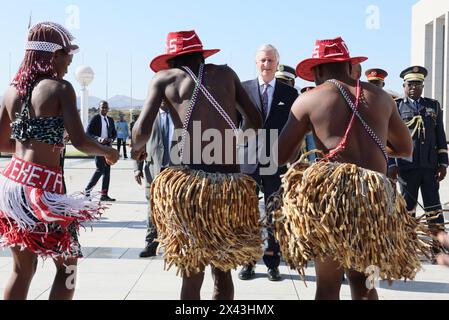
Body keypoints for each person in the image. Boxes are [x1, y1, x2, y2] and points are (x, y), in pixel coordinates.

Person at [275, 36, 431, 300]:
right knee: (365, 283)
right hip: (374, 198)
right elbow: (406, 149)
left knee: (327, 286)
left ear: (318, 70)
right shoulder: (382, 98)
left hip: (332, 202)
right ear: (349, 66)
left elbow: (280, 157)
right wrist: (377, 147)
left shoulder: (307, 101)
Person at [131, 30, 263, 300]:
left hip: (192, 188)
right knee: (223, 269)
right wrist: (237, 141)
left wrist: (137, 151)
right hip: (230, 185)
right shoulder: (226, 74)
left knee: (192, 272)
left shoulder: (164, 79)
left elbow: (141, 131)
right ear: (202, 56)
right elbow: (256, 119)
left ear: (172, 60)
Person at [0, 22, 118, 300]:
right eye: (69, 57)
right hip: (43, 191)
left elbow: (1, 143)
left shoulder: (10, 91)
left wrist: (30, 144)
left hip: (13, 188)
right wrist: (107, 152)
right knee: (68, 266)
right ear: (53, 56)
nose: (69, 64)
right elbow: (80, 141)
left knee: (21, 269)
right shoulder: (60, 88)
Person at [238, 45, 298, 282]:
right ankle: (248, 262)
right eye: (263, 60)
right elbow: (234, 124)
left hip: (276, 162)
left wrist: (293, 161)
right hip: (248, 162)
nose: (266, 64)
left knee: (274, 214)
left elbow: (294, 130)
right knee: (247, 214)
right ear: (256, 62)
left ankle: (273, 262)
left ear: (277, 63)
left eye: (270, 60)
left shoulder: (289, 94)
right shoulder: (243, 90)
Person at [388, 66, 448, 260]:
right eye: (410, 84)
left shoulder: (433, 106)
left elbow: (440, 135)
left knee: (434, 209)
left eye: (417, 84)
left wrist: (443, 163)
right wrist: (392, 164)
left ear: (423, 86)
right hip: (406, 166)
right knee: (407, 209)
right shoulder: (396, 107)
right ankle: (406, 246)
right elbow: (389, 138)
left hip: (430, 166)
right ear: (404, 86)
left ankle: (438, 247)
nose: (414, 88)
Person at [134, 109, 174, 258]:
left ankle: (172, 244)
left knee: (173, 208)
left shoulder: (180, 114)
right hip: (153, 170)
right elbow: (137, 143)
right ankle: (151, 243)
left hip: (175, 171)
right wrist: (136, 169)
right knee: (152, 208)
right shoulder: (148, 117)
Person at [84, 101, 118, 202]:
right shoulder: (95, 119)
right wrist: (99, 139)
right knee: (100, 169)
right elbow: (88, 133)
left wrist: (111, 139)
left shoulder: (110, 120)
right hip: (98, 147)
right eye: (102, 107)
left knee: (107, 171)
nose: (104, 109)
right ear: (99, 108)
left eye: (106, 108)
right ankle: (87, 190)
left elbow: (114, 133)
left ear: (108, 109)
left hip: (108, 147)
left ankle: (104, 194)